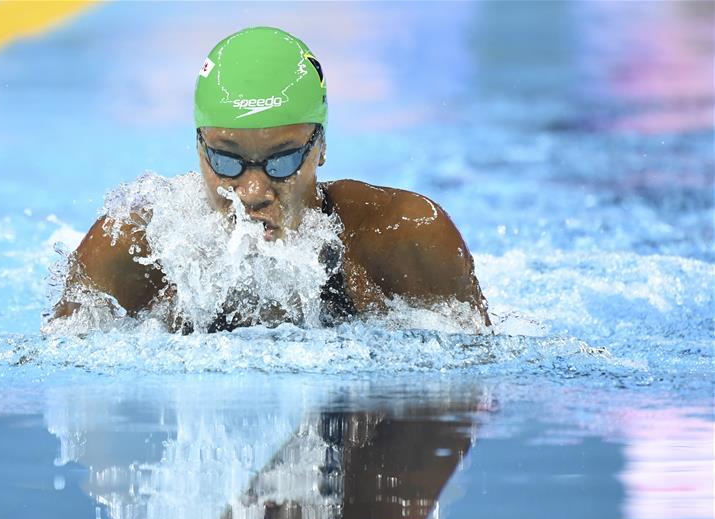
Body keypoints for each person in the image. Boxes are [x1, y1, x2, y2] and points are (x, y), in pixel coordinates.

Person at [52, 26, 489, 330]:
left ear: (319, 146)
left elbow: (472, 392)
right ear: (198, 147)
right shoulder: (138, 246)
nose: (253, 192)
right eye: (227, 161)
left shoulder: (402, 237)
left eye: (281, 161)